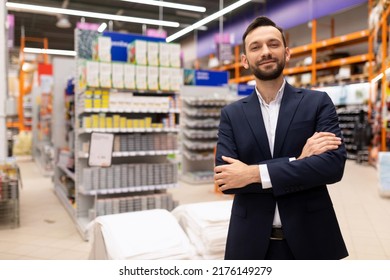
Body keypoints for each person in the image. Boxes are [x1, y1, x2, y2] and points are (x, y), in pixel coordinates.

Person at [214, 16, 348, 260]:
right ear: (244, 60)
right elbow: (227, 180)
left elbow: (332, 167)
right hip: (251, 242)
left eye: (273, 44)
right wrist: (298, 161)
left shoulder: (317, 103)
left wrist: (252, 174)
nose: (265, 51)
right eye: (256, 47)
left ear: (287, 53)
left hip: (313, 237)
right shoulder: (231, 114)